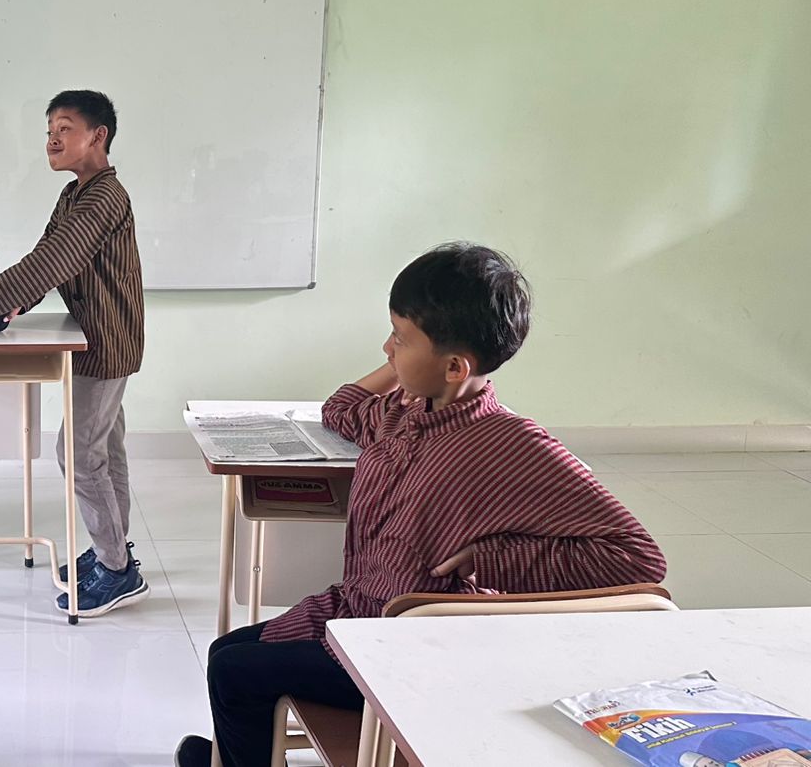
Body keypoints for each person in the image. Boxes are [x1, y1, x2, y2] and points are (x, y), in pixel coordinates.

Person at [173, 243, 668, 767]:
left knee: (235, 670)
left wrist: (490, 560)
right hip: (357, 614)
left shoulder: (513, 446)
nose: (387, 348)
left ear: (454, 366)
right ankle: (233, 756)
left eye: (401, 338)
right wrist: (406, 367)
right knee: (226, 651)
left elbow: (637, 558)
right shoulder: (405, 412)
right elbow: (341, 408)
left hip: (411, 647)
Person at [0, 90, 147, 617]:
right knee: (104, 450)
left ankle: (116, 570)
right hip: (93, 337)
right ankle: (114, 552)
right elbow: (46, 257)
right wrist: (10, 306)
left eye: (65, 129)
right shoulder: (75, 194)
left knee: (79, 454)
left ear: (98, 136)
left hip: (107, 342)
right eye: (49, 130)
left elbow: (55, 260)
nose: (52, 140)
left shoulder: (104, 196)